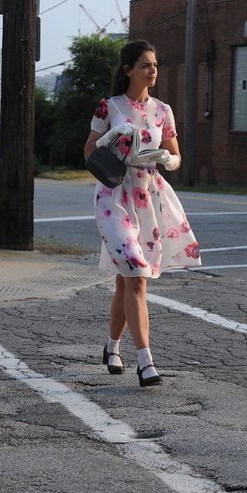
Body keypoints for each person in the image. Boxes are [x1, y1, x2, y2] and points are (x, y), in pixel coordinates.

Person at [84, 39, 201, 387]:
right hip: (113, 195)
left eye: (155, 65)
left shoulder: (163, 110)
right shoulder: (109, 107)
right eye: (146, 65)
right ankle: (145, 362)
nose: (153, 71)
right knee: (135, 274)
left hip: (147, 195)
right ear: (129, 70)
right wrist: (110, 137)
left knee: (127, 279)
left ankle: (111, 347)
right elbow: (88, 152)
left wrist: (168, 159)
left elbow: (176, 157)